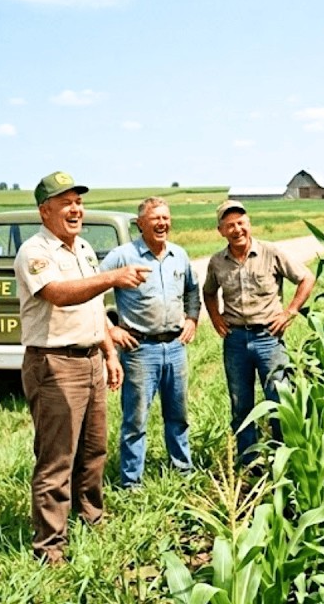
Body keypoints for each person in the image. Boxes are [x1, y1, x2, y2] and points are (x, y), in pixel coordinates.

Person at [14, 171, 151, 565]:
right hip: (55, 363)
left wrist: (108, 352)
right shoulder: (35, 252)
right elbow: (58, 294)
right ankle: (50, 547)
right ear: (45, 211)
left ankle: (91, 517)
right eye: (66, 203)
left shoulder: (84, 248)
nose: (76, 210)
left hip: (89, 359)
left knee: (93, 450)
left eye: (78, 202)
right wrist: (112, 277)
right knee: (57, 456)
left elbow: (92, 306)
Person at [202, 199, 316, 466]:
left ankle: (283, 458)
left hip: (269, 338)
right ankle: (249, 462)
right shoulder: (217, 262)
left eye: (241, 223)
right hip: (235, 340)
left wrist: (290, 312)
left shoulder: (270, 252)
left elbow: (306, 278)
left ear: (249, 223)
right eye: (230, 225)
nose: (237, 229)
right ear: (221, 231)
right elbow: (208, 292)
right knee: (240, 403)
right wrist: (216, 317)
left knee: (279, 399)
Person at [101, 196, 201, 490]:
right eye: (155, 218)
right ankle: (131, 483)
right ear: (140, 224)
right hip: (139, 350)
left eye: (166, 218)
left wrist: (192, 319)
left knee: (178, 415)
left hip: (175, 347)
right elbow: (91, 290)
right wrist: (110, 329)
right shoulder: (122, 256)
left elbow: (192, 290)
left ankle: (183, 471)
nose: (162, 223)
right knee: (136, 420)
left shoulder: (179, 255)